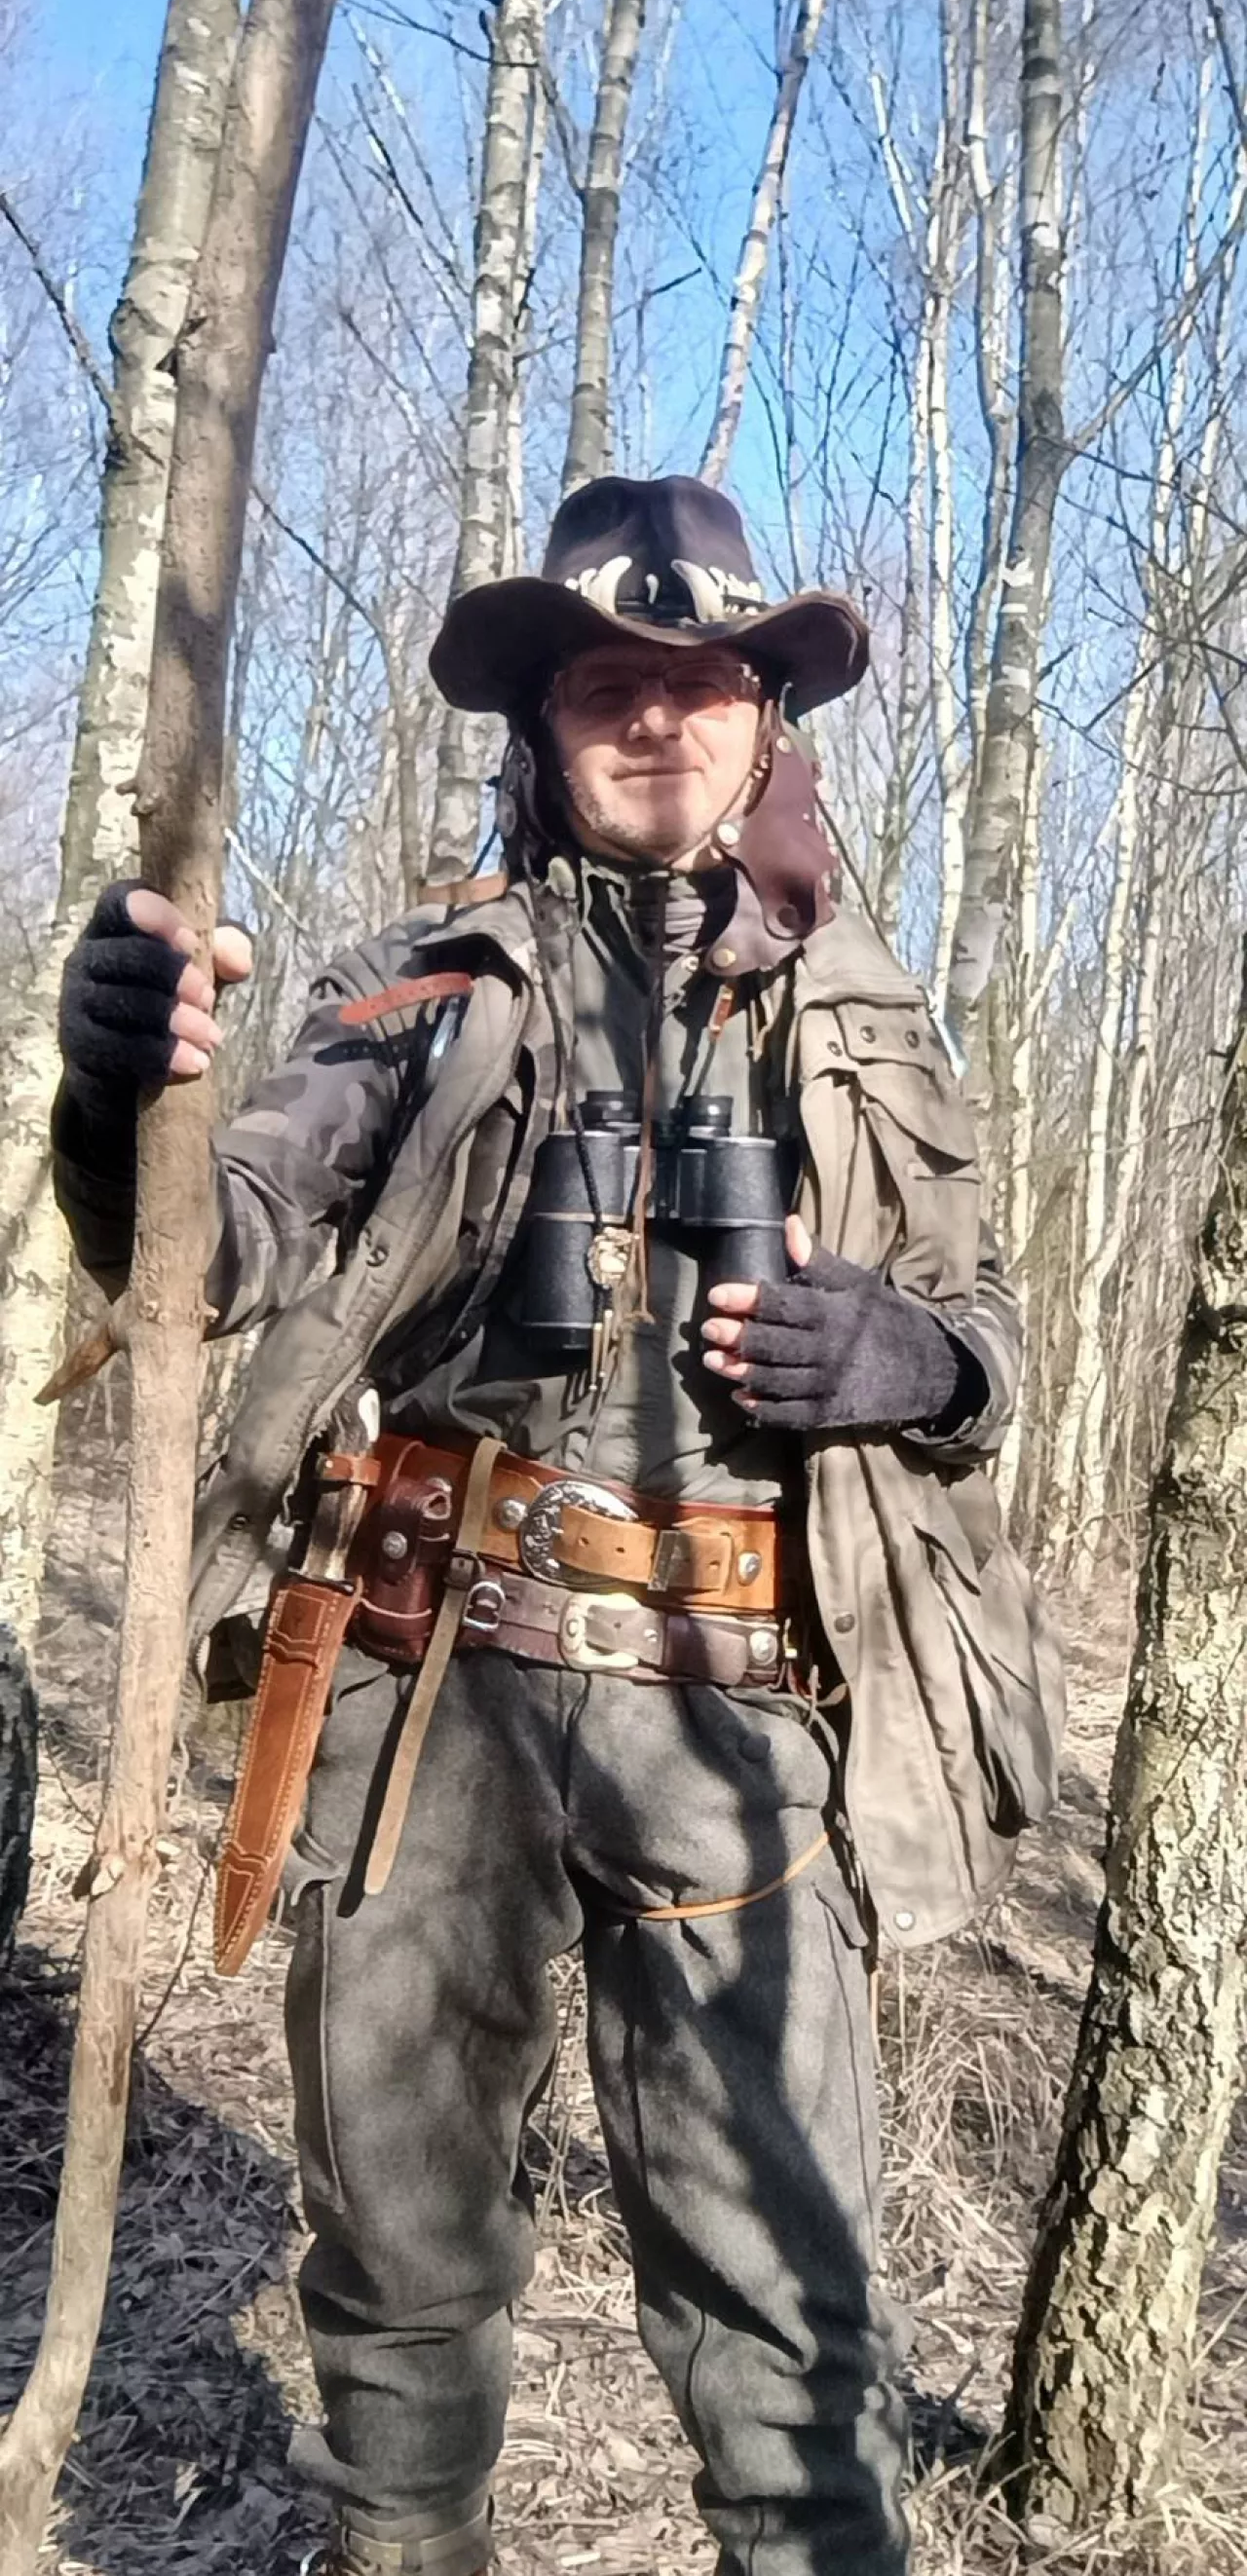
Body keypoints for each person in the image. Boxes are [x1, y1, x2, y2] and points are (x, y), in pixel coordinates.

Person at [54, 475, 1063, 2576]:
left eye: (702, 684)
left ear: (766, 721)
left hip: (740, 1712)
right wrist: (118, 1097)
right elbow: (210, 1248)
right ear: (542, 721)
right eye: (607, 683)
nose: (655, 718)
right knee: (397, 2274)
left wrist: (914, 1358)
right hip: (429, 1693)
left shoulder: (873, 1026)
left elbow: (992, 1343)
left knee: (787, 2305)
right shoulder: (418, 986)